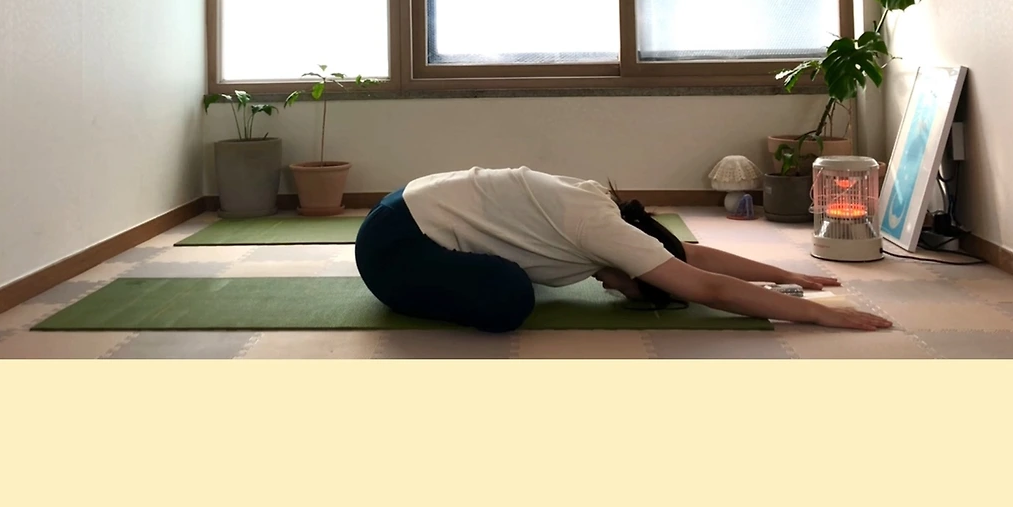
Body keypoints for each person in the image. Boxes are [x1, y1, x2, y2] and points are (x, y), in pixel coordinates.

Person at [353, 166, 893, 334]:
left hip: (400, 207)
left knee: (514, 277)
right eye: (631, 292)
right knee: (509, 298)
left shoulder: (602, 207)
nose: (614, 291)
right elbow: (704, 286)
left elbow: (685, 256)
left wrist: (785, 273)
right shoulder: (602, 233)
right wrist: (819, 316)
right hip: (394, 248)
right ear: (635, 270)